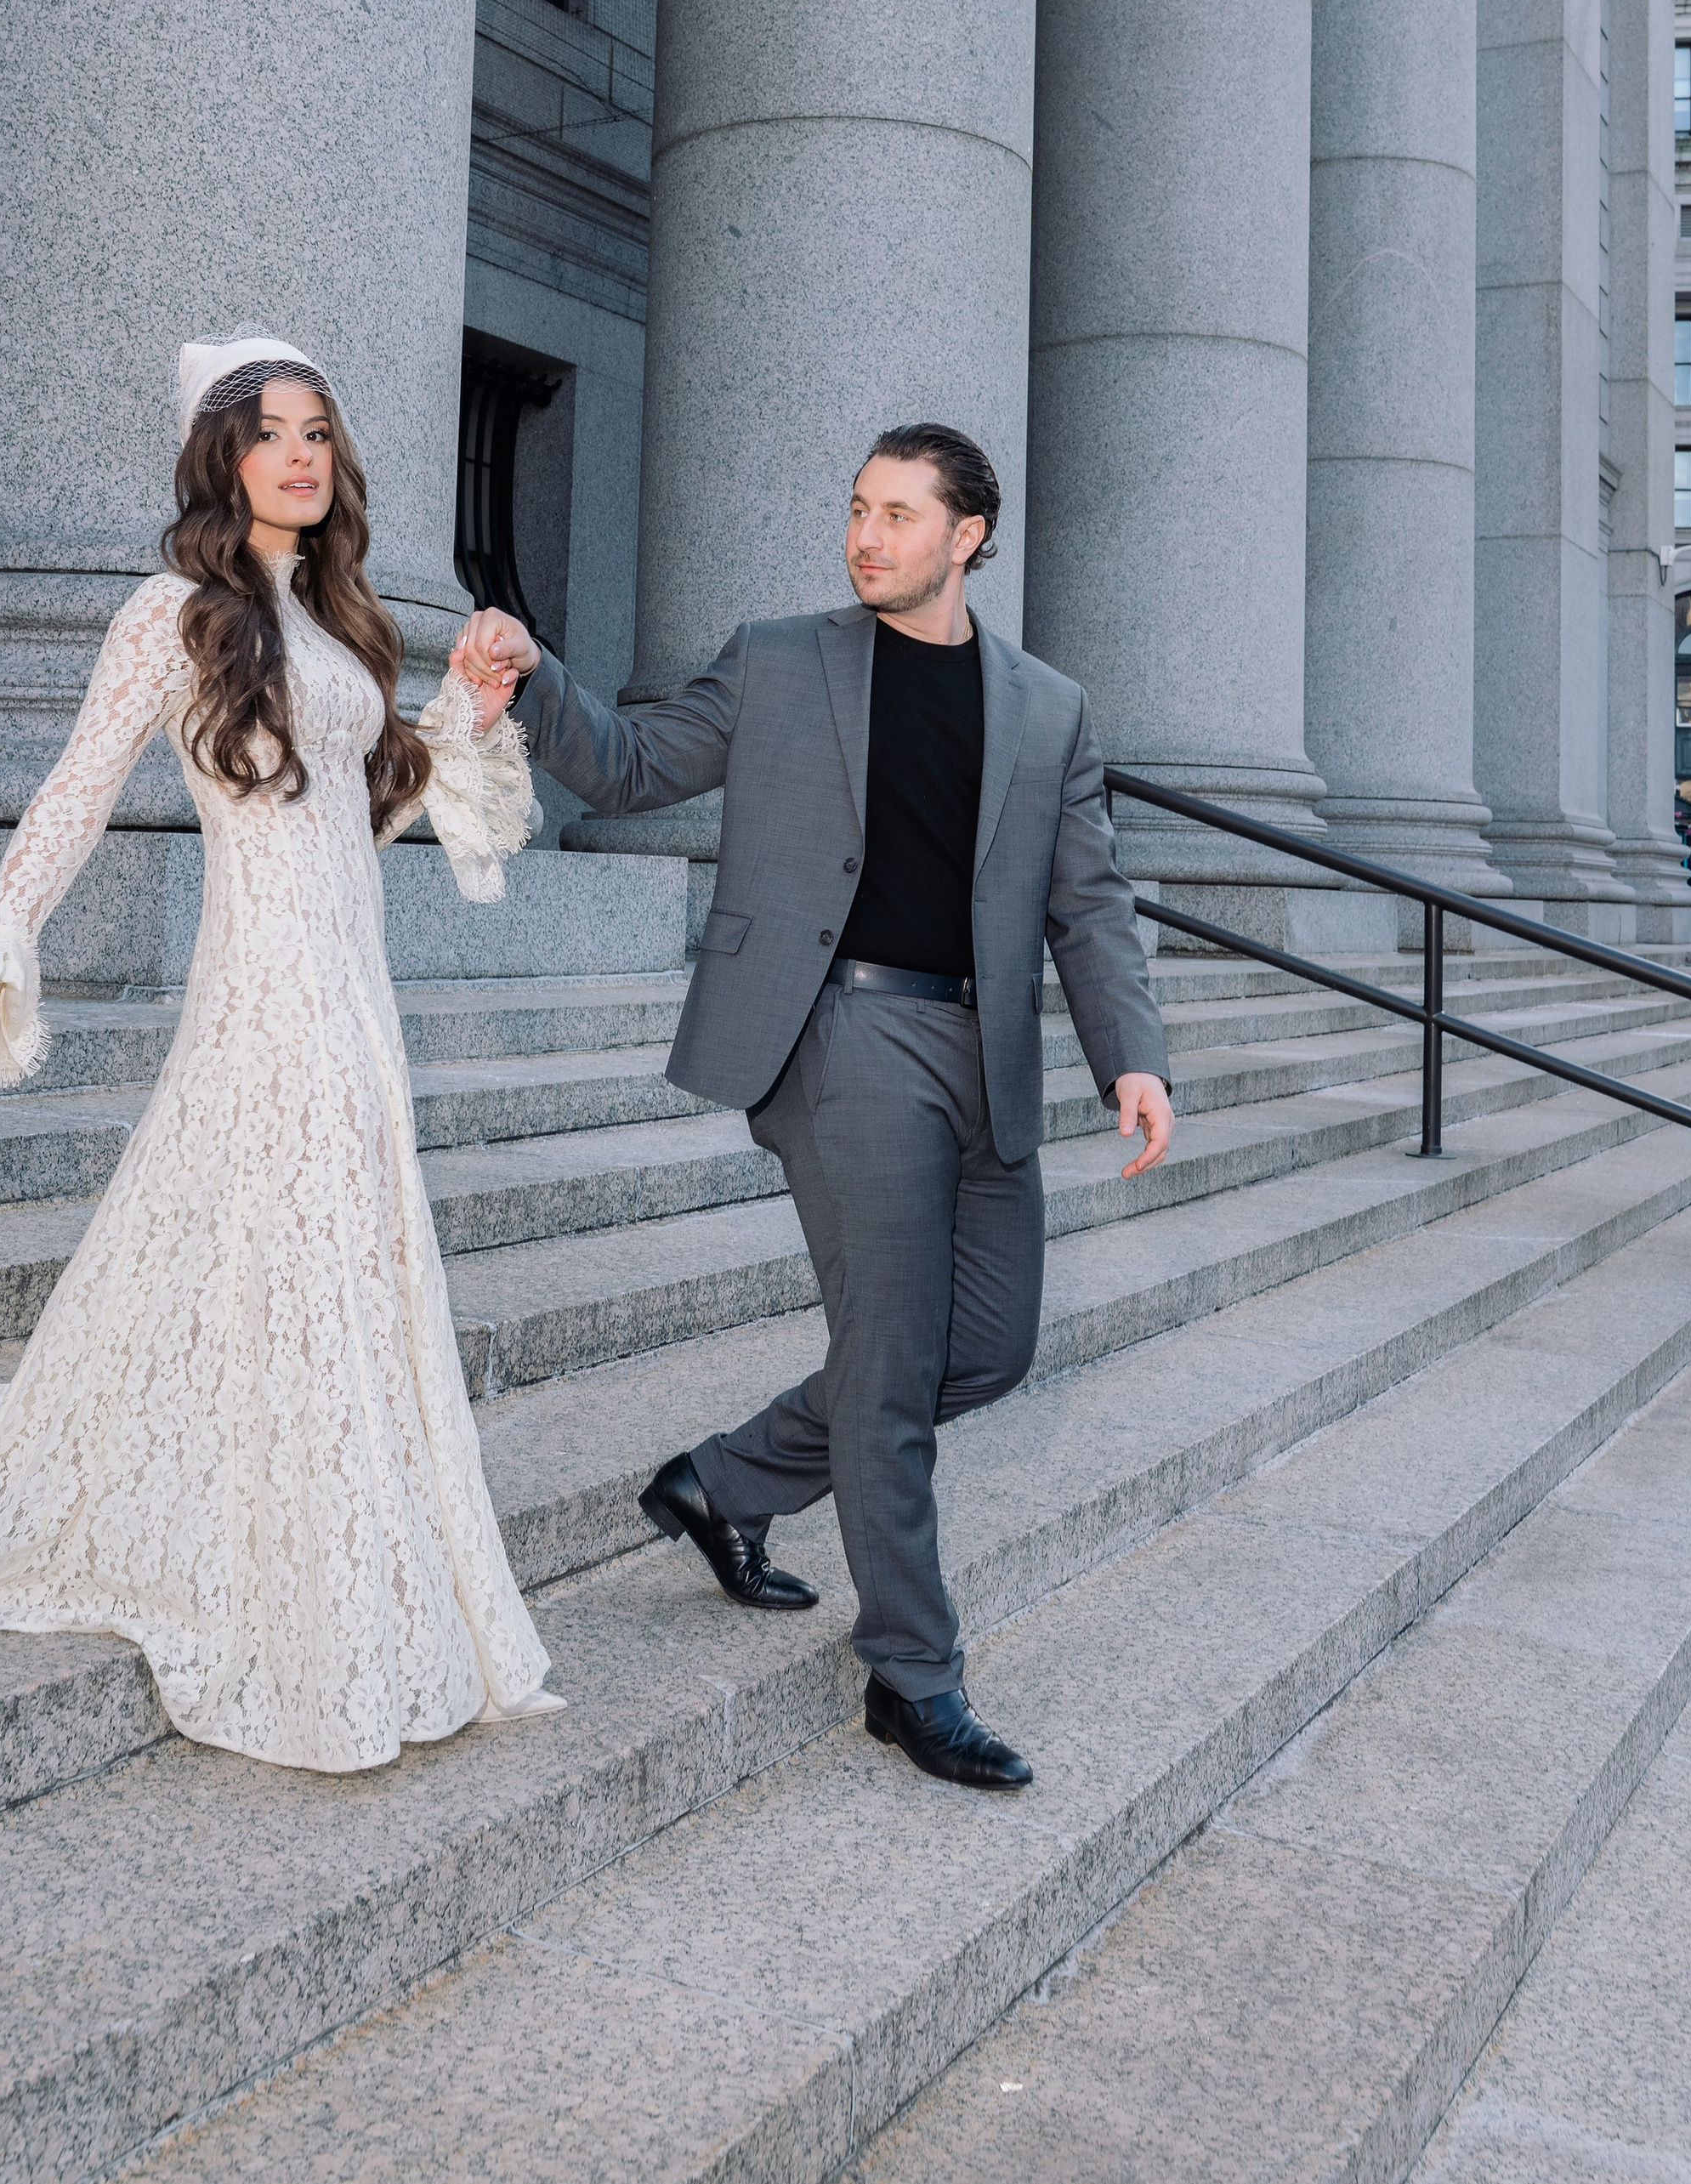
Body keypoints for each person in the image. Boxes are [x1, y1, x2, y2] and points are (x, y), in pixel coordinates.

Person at [0, 339, 557, 1774]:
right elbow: (77, 786)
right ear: (221, 458)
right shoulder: (171, 612)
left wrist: (464, 707)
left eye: (319, 432)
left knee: (325, 1264)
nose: (301, 456)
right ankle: (284, 1584)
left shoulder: (336, 617)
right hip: (262, 987)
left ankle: (341, 1560)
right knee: (289, 1251)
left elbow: (353, 821)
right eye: (270, 435)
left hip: (352, 990)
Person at [454, 423, 1171, 1793]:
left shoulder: (1049, 707)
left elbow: (1090, 902)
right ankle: (914, 1673)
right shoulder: (783, 659)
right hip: (843, 1034)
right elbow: (630, 763)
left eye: (900, 514)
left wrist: (1130, 1055)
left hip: (986, 1055)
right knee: (894, 1364)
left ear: (968, 536)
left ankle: (725, 1481)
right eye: (858, 507)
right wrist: (534, 675)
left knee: (991, 1346)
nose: (867, 534)